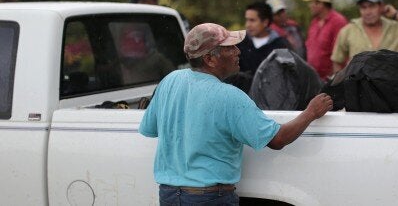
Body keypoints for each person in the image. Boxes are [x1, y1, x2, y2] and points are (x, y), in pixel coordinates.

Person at [139, 23, 333, 206]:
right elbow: (277, 139)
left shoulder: (170, 81)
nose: (238, 51)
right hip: (210, 198)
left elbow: (151, 128)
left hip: (169, 195)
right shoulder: (230, 97)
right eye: (229, 48)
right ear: (209, 59)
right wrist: (311, 112)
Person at [331, 0, 398, 72]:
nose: (367, 12)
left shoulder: (395, 27)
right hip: (359, 88)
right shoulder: (348, 30)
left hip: (393, 85)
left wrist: (395, 14)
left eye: (372, 6)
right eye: (363, 7)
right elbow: (337, 61)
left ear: (381, 7)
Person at [300, 0, 348, 80]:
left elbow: (340, 55)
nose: (310, 6)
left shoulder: (338, 22)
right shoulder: (314, 22)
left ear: (320, 3)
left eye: (312, 2)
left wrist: (334, 80)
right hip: (314, 79)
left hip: (330, 80)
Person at [237, 1, 289, 75]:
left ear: (265, 22)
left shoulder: (280, 46)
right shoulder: (240, 43)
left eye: (252, 20)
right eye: (247, 20)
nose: (247, 25)